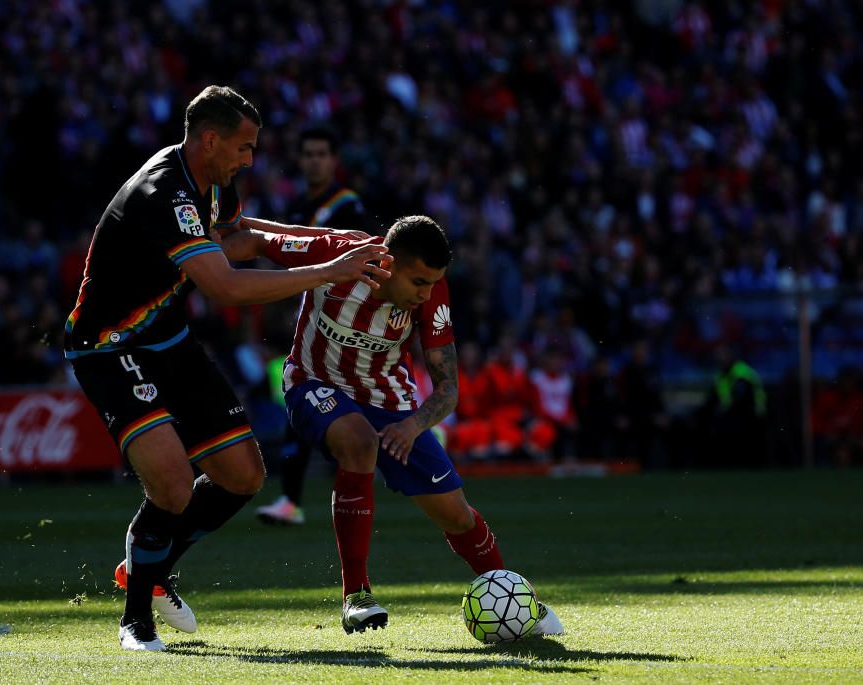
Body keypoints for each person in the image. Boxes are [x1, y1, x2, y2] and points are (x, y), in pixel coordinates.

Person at [63, 85, 389, 651]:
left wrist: (325, 243)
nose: (249, 159)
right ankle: (135, 617)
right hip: (110, 346)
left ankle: (153, 566)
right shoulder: (163, 191)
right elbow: (226, 286)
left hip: (168, 339)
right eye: (244, 147)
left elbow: (238, 238)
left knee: (243, 476)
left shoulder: (212, 181)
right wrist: (328, 271)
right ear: (209, 139)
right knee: (171, 484)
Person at [221, 214, 564, 635]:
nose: (426, 293)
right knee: (359, 443)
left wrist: (413, 426)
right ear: (389, 262)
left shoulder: (433, 293)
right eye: (418, 282)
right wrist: (198, 255)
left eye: (433, 282)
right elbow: (254, 241)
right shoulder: (339, 254)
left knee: (457, 516)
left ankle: (515, 599)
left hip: (391, 404)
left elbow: (447, 389)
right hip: (312, 383)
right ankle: (356, 595)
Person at [256, 127, 368, 526]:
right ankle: (291, 499)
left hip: (342, 324)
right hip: (312, 321)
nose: (314, 160)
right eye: (308, 154)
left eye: (322, 153)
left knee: (318, 404)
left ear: (334, 160)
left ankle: (417, 441)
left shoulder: (348, 207)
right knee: (302, 405)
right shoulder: (303, 206)